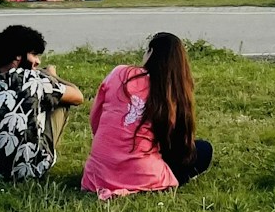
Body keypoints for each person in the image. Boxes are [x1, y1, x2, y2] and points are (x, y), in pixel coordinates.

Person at [82, 32, 212, 199]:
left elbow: (96, 120)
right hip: (143, 174)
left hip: (97, 174)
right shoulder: (171, 93)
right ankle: (148, 179)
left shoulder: (119, 73)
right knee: (203, 150)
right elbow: (179, 145)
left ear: (150, 52)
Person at [0, 24, 85, 184]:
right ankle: (43, 157)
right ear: (18, 57)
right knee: (61, 101)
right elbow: (78, 97)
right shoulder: (35, 81)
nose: (37, 61)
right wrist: (52, 76)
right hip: (28, 173)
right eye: (34, 54)